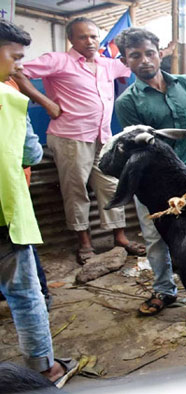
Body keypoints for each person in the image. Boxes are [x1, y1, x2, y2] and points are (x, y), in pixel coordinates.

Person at [11, 17, 144, 264]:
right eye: (82, 37)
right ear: (71, 39)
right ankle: (84, 243)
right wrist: (45, 102)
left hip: (103, 138)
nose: (90, 41)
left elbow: (133, 65)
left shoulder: (107, 64)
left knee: (110, 186)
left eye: (93, 36)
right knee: (76, 190)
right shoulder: (57, 61)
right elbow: (17, 71)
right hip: (70, 137)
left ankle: (120, 236)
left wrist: (162, 52)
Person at [114, 27, 186, 326]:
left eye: (150, 52)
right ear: (125, 61)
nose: (145, 60)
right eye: (135, 56)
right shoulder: (127, 102)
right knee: (155, 239)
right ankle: (165, 289)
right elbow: (141, 150)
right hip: (153, 185)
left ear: (160, 52)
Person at [0, 19, 77, 387]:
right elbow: (30, 152)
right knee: (25, 296)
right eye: (15, 57)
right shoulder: (11, 99)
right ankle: (44, 368)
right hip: (6, 216)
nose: (18, 66)